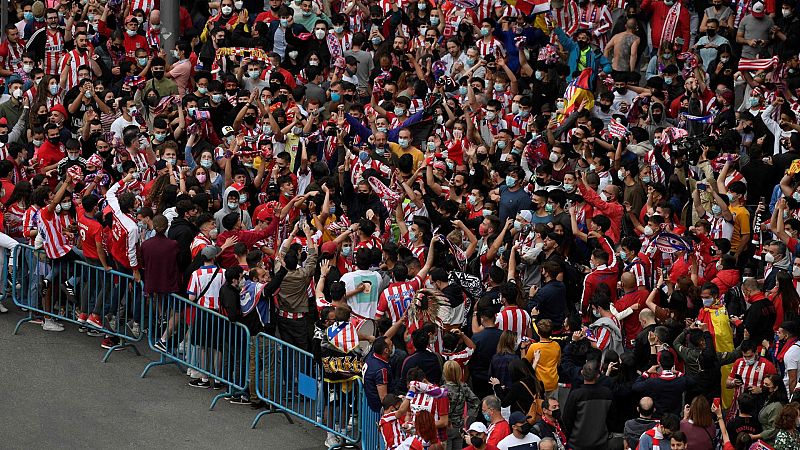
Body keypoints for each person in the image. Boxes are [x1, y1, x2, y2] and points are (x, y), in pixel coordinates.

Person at [562, 360, 613, 450]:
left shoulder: (576, 395)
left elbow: (567, 420)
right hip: (600, 442)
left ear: (582, 373)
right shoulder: (607, 394)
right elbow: (611, 419)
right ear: (598, 375)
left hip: (577, 443)